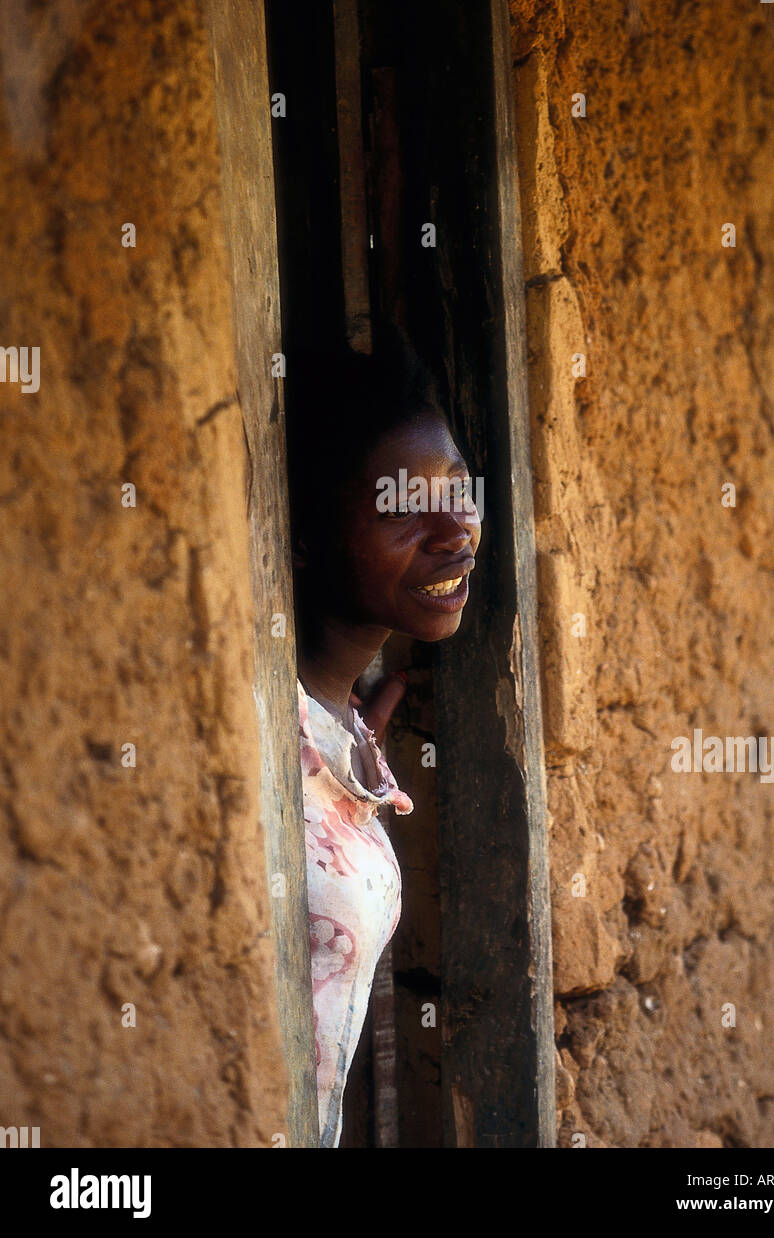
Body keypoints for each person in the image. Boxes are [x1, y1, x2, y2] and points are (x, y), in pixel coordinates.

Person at [286, 332, 481, 1146]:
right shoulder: (253, 730)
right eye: (401, 507)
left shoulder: (339, 732)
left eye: (458, 487)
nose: (455, 528)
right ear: (303, 532)